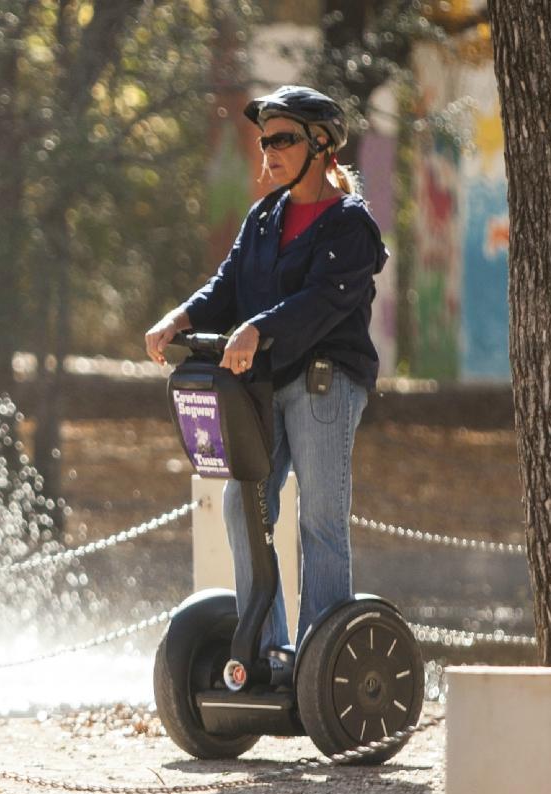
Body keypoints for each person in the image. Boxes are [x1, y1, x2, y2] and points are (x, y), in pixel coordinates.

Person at [144, 84, 386, 677]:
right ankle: (271, 652)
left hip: (325, 384)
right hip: (265, 385)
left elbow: (322, 302)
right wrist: (181, 316)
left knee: (320, 519)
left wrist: (257, 328)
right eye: (265, 140)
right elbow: (227, 283)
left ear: (321, 144)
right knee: (242, 506)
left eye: (282, 139)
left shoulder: (350, 224)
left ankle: (320, 665)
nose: (269, 151)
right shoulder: (264, 216)